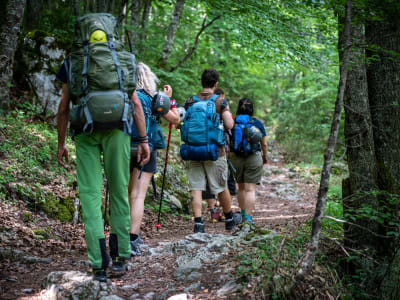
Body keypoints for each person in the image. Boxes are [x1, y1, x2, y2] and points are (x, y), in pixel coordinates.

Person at [56, 14, 150, 282]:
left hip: (85, 132)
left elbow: (64, 107)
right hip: (118, 132)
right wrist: (143, 141)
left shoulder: (73, 61)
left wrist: (61, 143)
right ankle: (120, 258)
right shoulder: (121, 59)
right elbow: (135, 104)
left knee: (89, 195)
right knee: (120, 191)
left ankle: (98, 265)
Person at [128, 62, 179, 255]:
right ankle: (133, 238)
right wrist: (169, 99)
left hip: (123, 145)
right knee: (138, 195)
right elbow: (175, 119)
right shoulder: (155, 98)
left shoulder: (126, 95)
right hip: (146, 146)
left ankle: (119, 235)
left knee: (124, 193)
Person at [181, 68, 237, 233]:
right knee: (221, 185)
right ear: (216, 83)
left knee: (196, 187)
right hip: (215, 151)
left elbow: (180, 123)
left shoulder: (190, 101)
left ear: (201, 82)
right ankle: (229, 219)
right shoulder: (220, 102)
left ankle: (198, 223)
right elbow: (229, 125)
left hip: (192, 150)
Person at [229, 98, 268, 225]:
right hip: (253, 157)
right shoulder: (256, 123)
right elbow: (264, 144)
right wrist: (265, 157)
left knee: (240, 187)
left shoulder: (232, 121)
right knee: (250, 189)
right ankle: (248, 219)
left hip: (235, 157)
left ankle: (243, 212)